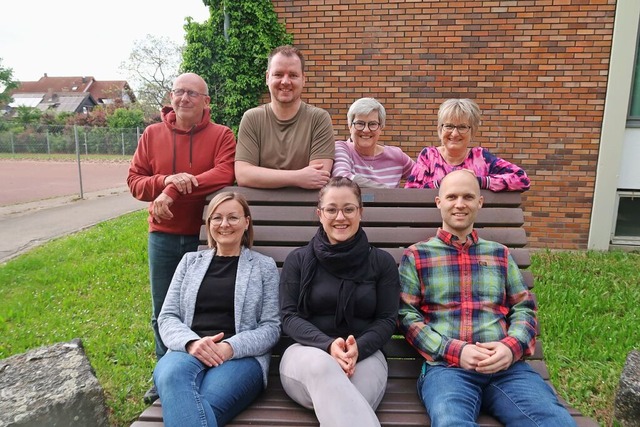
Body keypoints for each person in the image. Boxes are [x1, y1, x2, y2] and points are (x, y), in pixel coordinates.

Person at [397, 169, 576, 427]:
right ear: (439, 202)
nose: (460, 204)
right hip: (448, 369)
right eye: (452, 197)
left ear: (479, 203)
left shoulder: (500, 254)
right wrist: (456, 351)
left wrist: (510, 347)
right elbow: (406, 317)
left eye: (468, 197)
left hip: (507, 370)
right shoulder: (417, 256)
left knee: (555, 423)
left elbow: (524, 308)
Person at [127, 72, 236, 402]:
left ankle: (200, 367)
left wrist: (172, 190)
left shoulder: (221, 135)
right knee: (163, 308)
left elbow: (224, 172)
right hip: (162, 235)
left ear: (206, 102)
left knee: (201, 306)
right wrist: (163, 181)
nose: (184, 98)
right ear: (171, 97)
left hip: (206, 236)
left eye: (192, 93)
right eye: (178, 92)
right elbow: (135, 181)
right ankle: (163, 372)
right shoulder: (152, 134)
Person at [278, 177, 400, 427]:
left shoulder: (381, 262)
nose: (340, 217)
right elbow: (289, 317)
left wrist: (359, 348)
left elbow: (387, 319)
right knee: (325, 371)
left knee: (345, 406)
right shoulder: (299, 260)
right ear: (320, 214)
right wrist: (327, 345)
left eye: (348, 209)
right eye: (331, 209)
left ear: (360, 212)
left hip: (365, 356)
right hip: (305, 354)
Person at [153, 192, 281, 427]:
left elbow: (271, 328)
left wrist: (230, 348)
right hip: (187, 352)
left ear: (246, 222)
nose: (224, 224)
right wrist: (192, 343)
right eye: (217, 218)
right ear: (208, 223)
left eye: (233, 217)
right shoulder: (189, 262)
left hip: (240, 358)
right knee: (171, 375)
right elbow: (168, 316)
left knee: (203, 404)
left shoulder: (264, 266)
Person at [235, 45, 335, 189]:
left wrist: (262, 176)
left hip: (307, 208)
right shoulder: (252, 119)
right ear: (267, 77)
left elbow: (318, 177)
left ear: (304, 80)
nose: (285, 81)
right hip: (260, 208)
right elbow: (243, 175)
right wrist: (298, 177)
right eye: (279, 74)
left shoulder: (318, 119)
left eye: (293, 75)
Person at [404, 98, 530, 192]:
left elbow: (522, 179)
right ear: (440, 128)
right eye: (449, 126)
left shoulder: (481, 158)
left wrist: (479, 181)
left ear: (473, 131)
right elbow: (412, 192)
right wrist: (448, 182)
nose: (454, 133)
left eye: (462, 127)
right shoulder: (429, 156)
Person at [332, 97, 415, 188]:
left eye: (372, 124)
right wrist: (389, 193)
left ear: (381, 128)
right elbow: (341, 178)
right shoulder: (342, 148)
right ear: (350, 126)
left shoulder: (396, 156)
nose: (366, 130)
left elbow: (424, 177)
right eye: (360, 123)